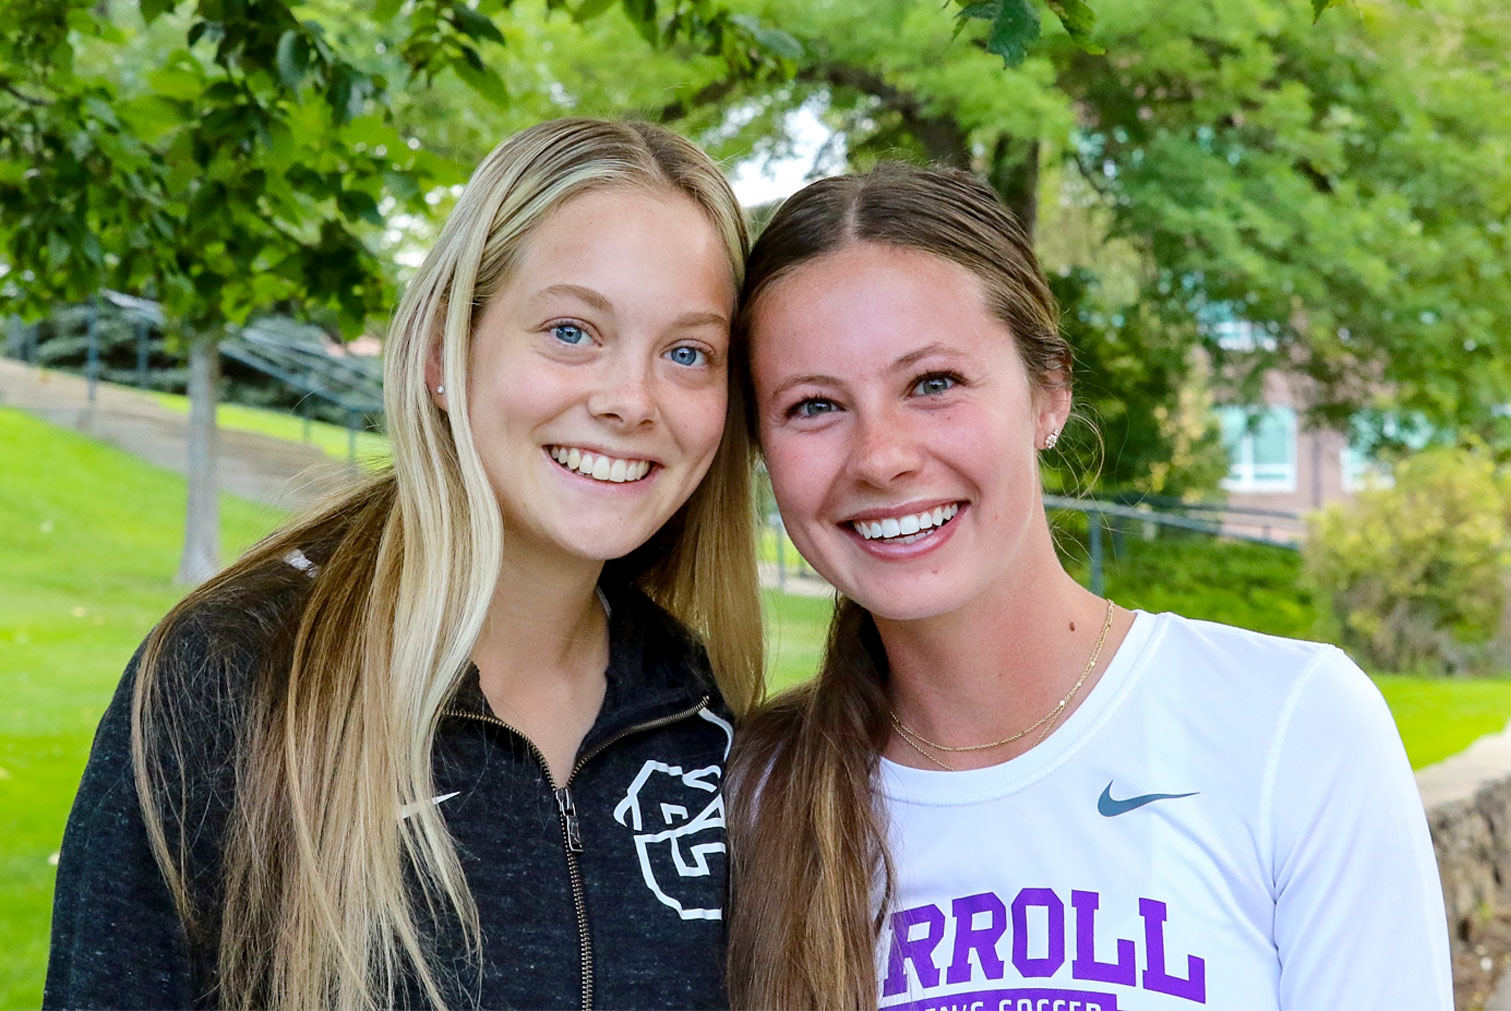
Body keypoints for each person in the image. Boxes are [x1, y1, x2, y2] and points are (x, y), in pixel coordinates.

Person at [44, 118, 763, 1011]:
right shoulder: (234, 674)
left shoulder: (700, 714)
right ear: (441, 353)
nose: (629, 400)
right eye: (572, 330)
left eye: (687, 353)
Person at [725, 163, 1452, 1010]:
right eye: (813, 405)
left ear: (1049, 394)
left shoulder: (1289, 726)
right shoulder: (752, 792)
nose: (880, 456)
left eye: (933, 384)